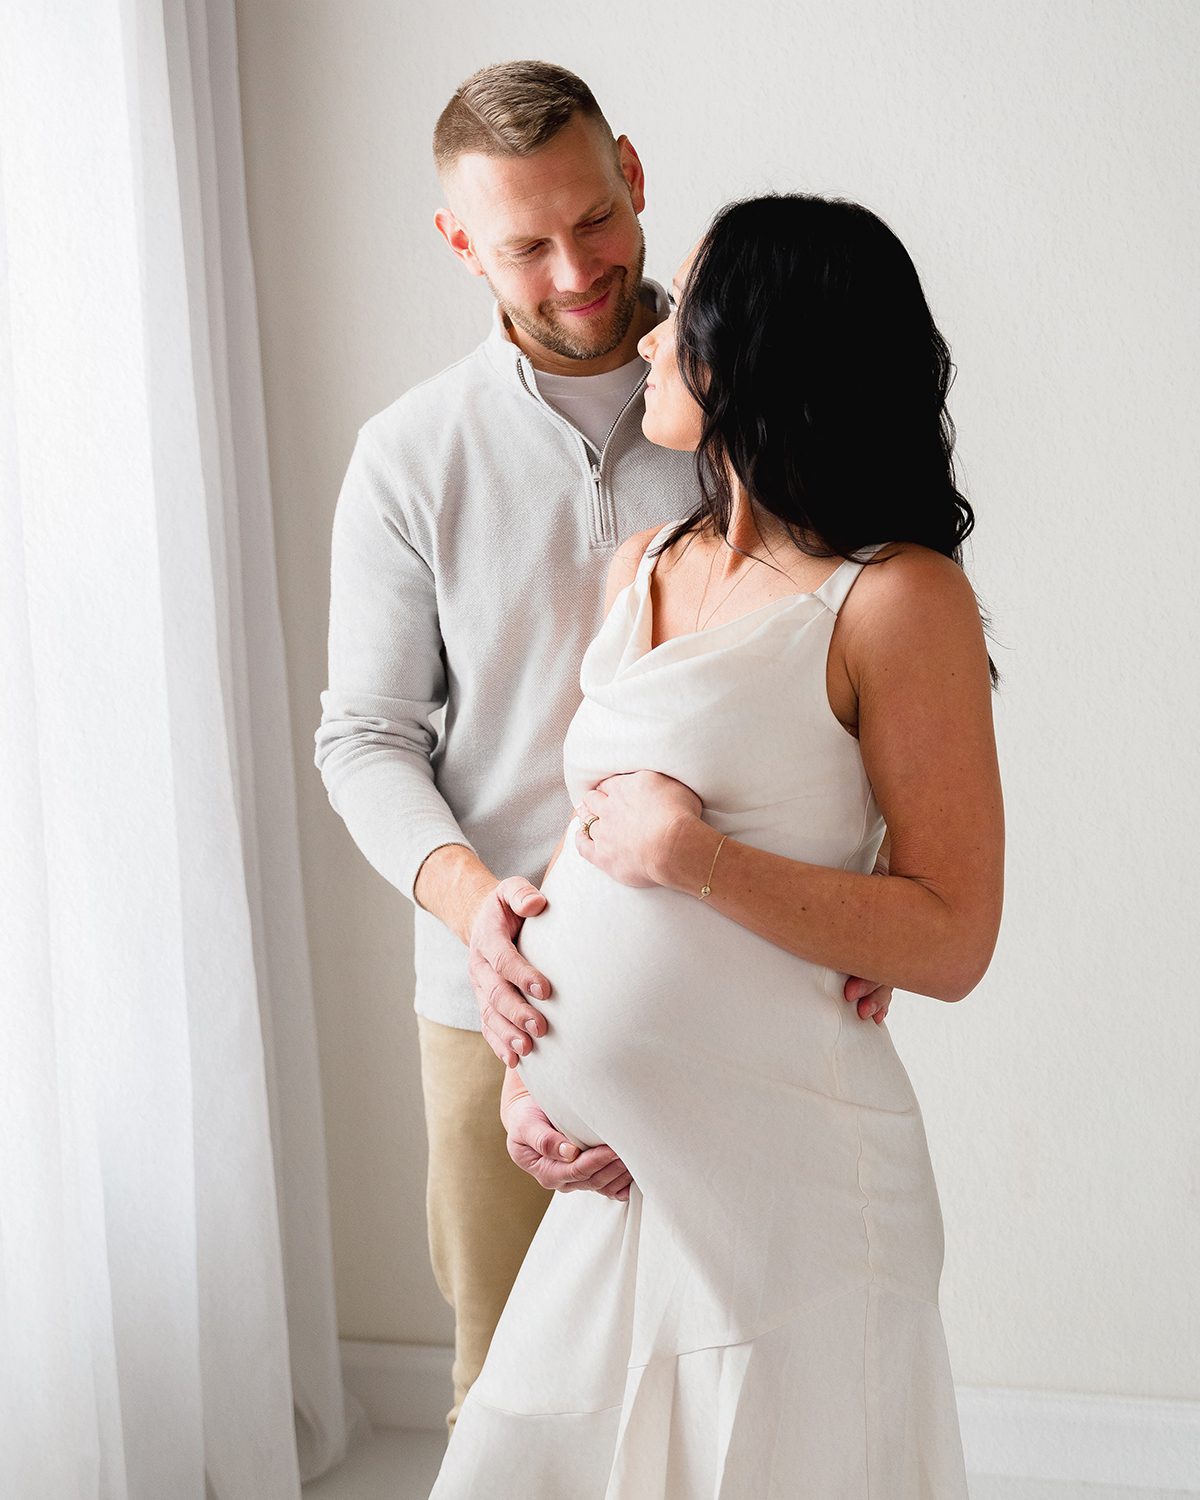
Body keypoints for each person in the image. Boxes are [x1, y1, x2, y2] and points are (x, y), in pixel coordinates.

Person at [313, 59, 891, 1434]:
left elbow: (862, 649)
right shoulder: (409, 458)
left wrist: (869, 885)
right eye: (523, 242)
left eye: (594, 219)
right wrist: (480, 907)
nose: (575, 267)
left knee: (744, 1396)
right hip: (496, 1000)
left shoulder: (745, 398)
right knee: (516, 1404)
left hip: (742, 983)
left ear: (633, 174)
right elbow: (366, 738)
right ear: (461, 244)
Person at [428, 194, 1004, 1498]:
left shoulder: (897, 599)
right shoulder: (647, 560)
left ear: (763, 346)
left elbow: (954, 936)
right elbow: (593, 851)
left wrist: (699, 861)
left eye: (681, 311)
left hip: (790, 1189)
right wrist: (539, 1071)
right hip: (627, 1180)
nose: (647, 336)